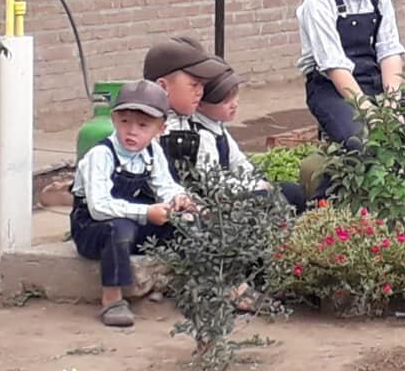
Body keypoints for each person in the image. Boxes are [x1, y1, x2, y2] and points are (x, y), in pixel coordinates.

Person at [70, 79, 196, 327]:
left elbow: (165, 185)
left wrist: (179, 199)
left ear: (160, 129)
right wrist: (147, 212)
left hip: (133, 219)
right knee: (119, 229)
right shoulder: (101, 155)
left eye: (143, 125)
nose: (132, 131)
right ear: (114, 120)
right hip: (93, 229)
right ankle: (113, 299)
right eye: (125, 122)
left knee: (185, 224)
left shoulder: (152, 152)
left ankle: (183, 284)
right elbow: (99, 207)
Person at [296, 0, 405, 148]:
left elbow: (389, 52)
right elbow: (334, 66)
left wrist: (391, 105)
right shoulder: (320, 0)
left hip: (373, 82)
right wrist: (369, 112)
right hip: (331, 89)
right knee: (362, 142)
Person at [193, 61, 306, 214]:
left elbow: (239, 162)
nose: (234, 104)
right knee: (270, 199)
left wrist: (257, 181)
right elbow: (214, 184)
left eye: (235, 97)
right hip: (222, 200)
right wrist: (254, 186)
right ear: (200, 105)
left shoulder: (218, 127)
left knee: (293, 191)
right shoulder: (202, 136)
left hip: (239, 188)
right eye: (225, 101)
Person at [143, 35, 222, 174]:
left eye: (202, 85)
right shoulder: (141, 135)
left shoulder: (202, 128)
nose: (200, 92)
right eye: (194, 85)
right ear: (162, 87)